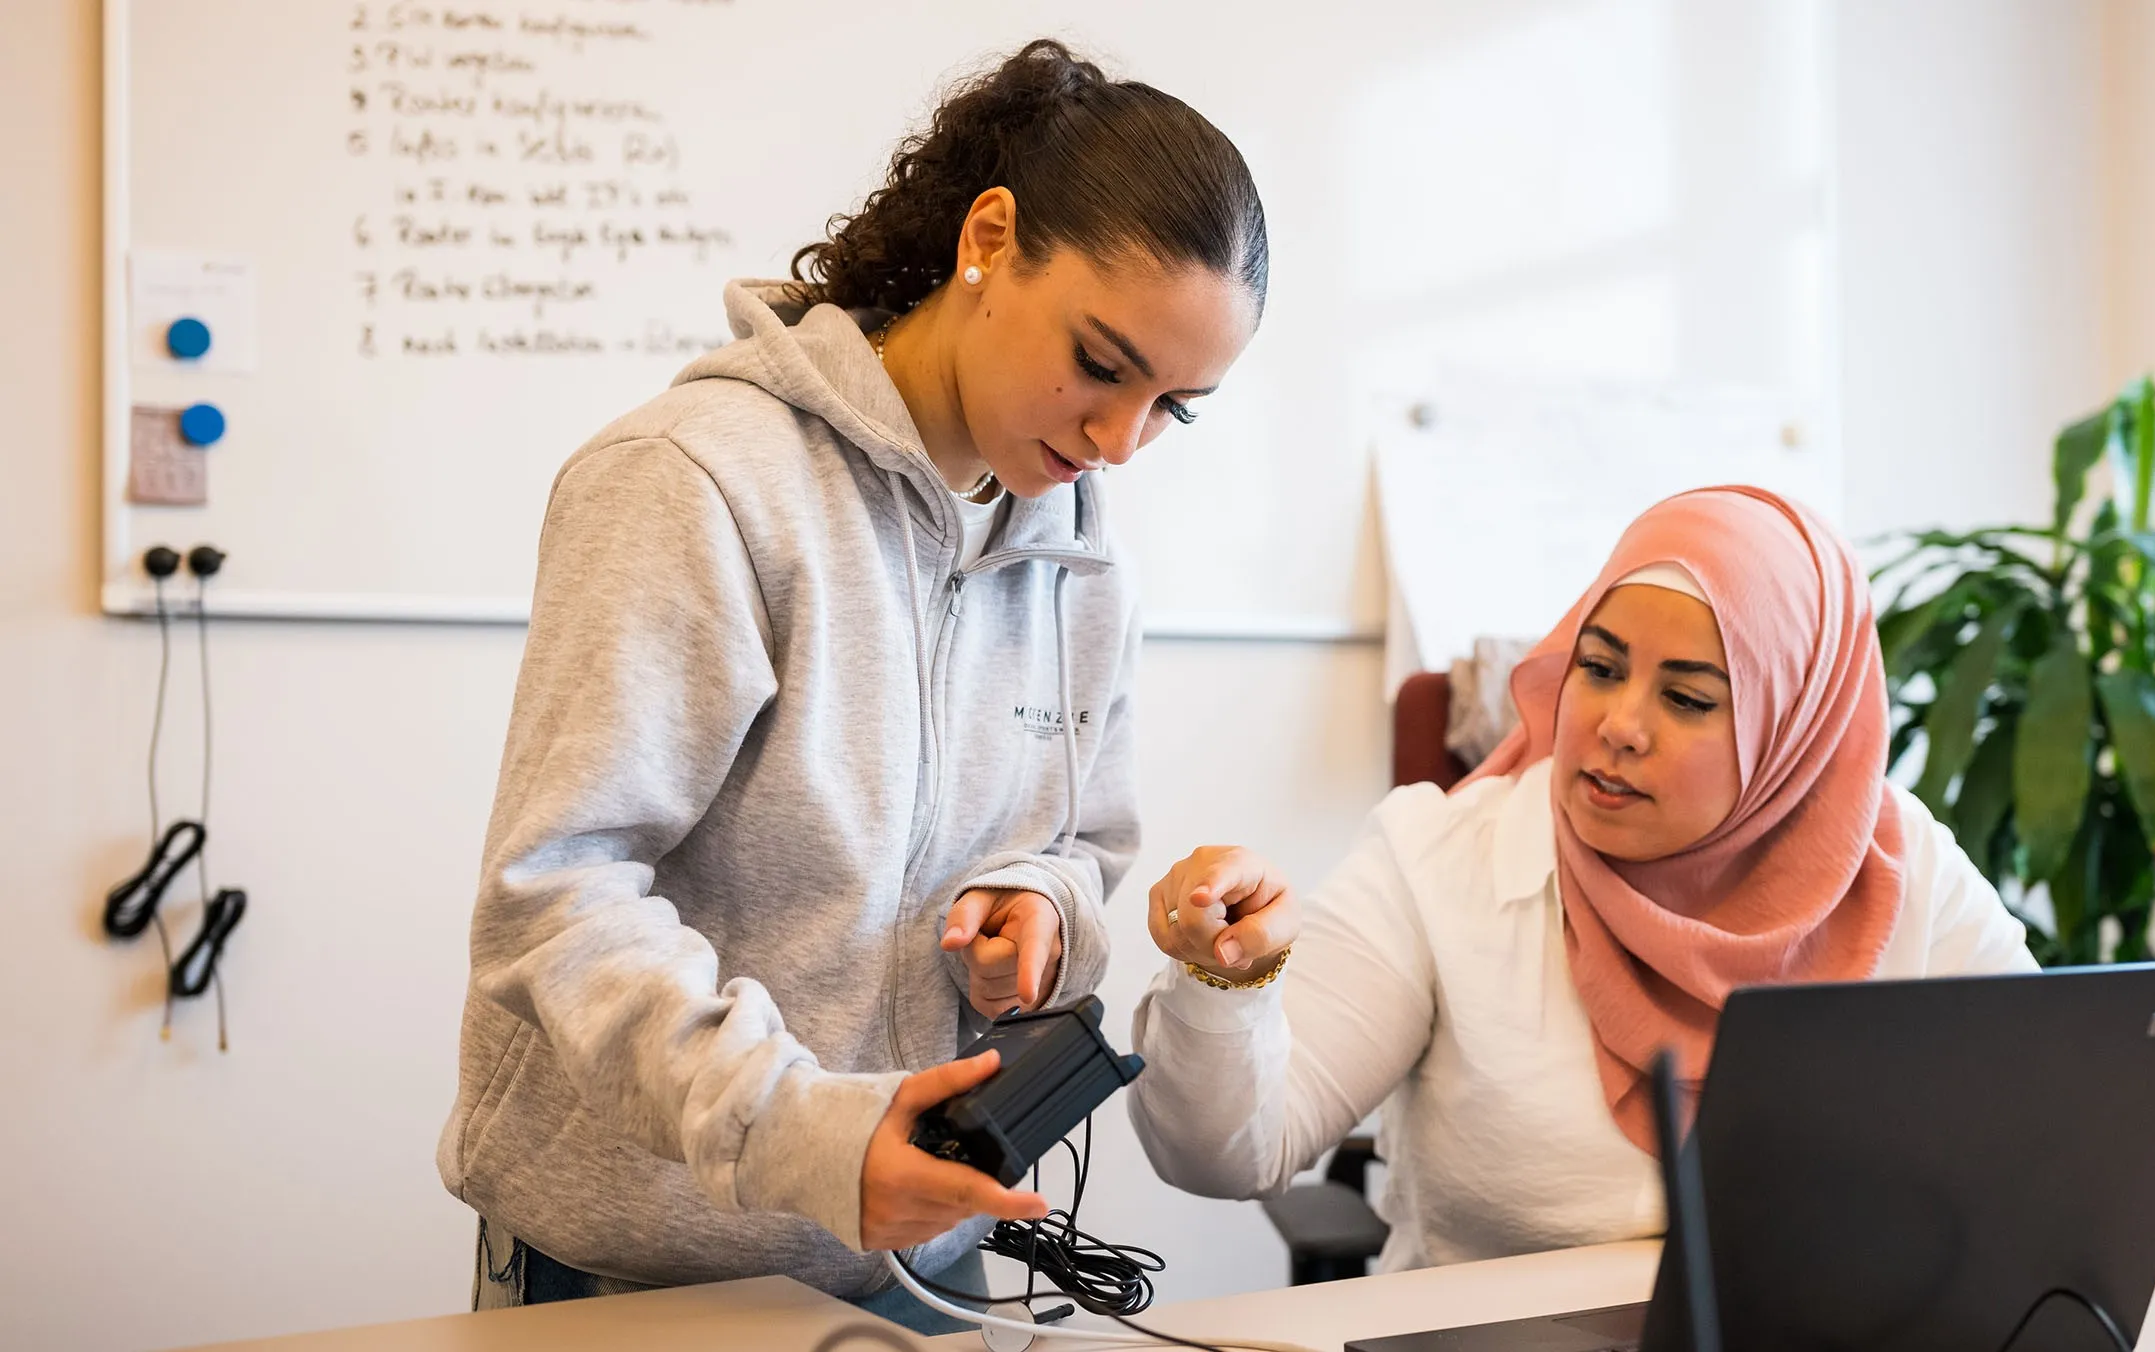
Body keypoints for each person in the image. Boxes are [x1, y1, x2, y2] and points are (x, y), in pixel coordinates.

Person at [436, 40, 1267, 1331]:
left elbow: (1081, 849)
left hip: (930, 1266)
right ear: (989, 239)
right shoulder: (697, 482)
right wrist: (801, 1133)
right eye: (1102, 364)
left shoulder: (1083, 558)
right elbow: (554, 900)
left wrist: (1039, 916)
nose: (1120, 442)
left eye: (1177, 406)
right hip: (638, 1280)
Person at [1128, 486, 2036, 1271]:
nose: (1617, 724)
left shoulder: (1894, 863)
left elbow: (2049, 1115)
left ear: (1791, 733)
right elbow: (1223, 1158)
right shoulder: (1442, 858)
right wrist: (1228, 982)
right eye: (1598, 668)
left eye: (1686, 697)